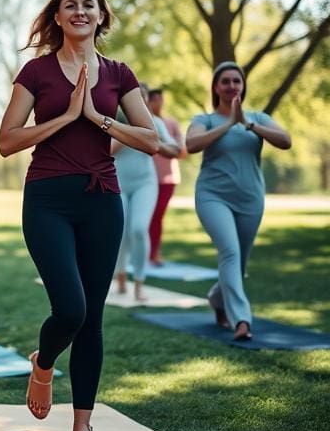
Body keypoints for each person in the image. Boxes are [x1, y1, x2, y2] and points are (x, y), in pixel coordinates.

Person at [0, 0, 158, 431]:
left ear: (101, 15)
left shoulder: (118, 74)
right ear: (58, 15)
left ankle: (82, 429)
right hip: (47, 199)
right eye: (70, 5)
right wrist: (66, 117)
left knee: (92, 321)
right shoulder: (36, 72)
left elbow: (151, 140)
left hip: (101, 200)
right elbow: (7, 140)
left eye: (88, 5)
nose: (80, 12)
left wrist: (97, 117)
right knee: (71, 308)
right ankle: (44, 363)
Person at [185, 61, 291, 341]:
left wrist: (248, 124)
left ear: (243, 87)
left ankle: (217, 299)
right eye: (226, 81)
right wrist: (230, 123)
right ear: (216, 87)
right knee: (230, 252)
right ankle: (242, 319)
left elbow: (285, 140)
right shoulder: (204, 119)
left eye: (237, 81)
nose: (232, 86)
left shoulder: (259, 117)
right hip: (212, 197)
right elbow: (192, 145)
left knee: (238, 263)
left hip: (250, 198)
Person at [112, 84, 181, 301]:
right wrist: (131, 130)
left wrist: (152, 140)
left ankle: (140, 283)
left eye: (142, 96)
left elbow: (175, 150)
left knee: (139, 229)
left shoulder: (155, 123)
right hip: (118, 184)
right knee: (120, 232)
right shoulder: (115, 121)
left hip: (145, 184)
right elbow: (107, 151)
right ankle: (121, 275)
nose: (137, 100)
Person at [146, 87, 186, 265]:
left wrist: (166, 146)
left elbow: (182, 150)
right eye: (154, 99)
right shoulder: (141, 122)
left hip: (167, 179)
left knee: (157, 216)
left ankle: (154, 254)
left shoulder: (171, 123)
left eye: (160, 99)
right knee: (144, 217)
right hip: (147, 178)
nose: (158, 103)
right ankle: (144, 252)